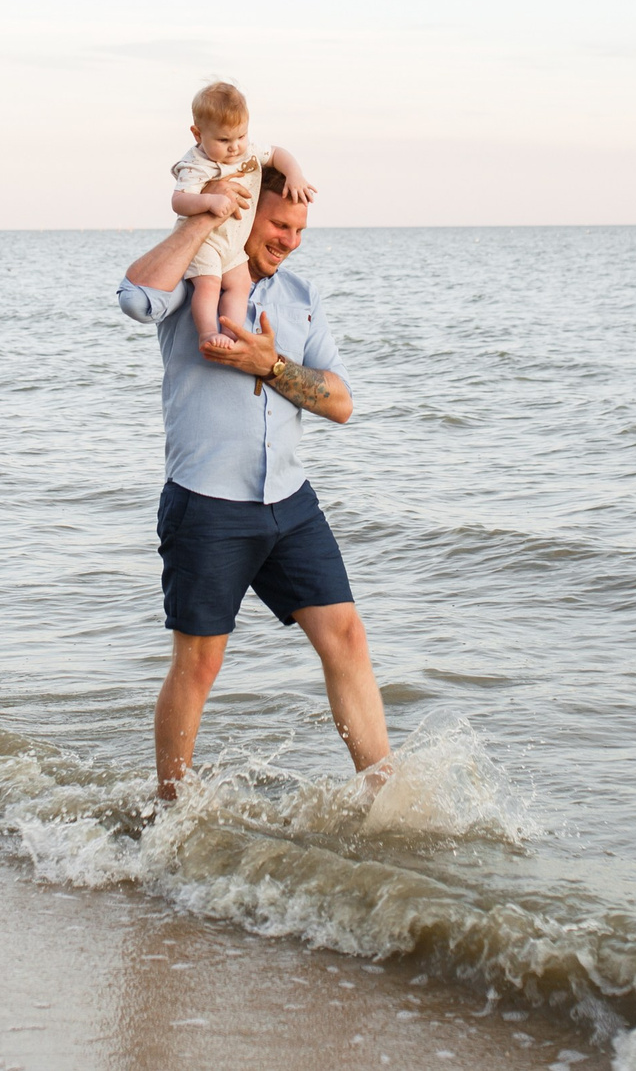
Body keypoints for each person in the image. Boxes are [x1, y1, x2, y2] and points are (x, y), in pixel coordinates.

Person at [117, 160, 389, 802]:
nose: (289, 238)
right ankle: (170, 809)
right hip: (208, 506)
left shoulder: (299, 297)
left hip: (290, 505)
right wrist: (205, 215)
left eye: (299, 227)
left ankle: (383, 794)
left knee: (347, 636)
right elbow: (133, 298)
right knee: (200, 663)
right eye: (278, 223)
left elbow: (341, 402)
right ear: (247, 215)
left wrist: (272, 367)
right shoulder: (194, 284)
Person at [167, 81, 316, 347]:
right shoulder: (196, 165)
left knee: (239, 285)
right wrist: (209, 200)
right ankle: (208, 333)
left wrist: (295, 174)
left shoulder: (248, 153)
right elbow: (178, 201)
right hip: (207, 242)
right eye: (223, 140)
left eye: (241, 136)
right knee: (209, 285)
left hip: (234, 244)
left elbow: (278, 153)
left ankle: (232, 334)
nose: (235, 147)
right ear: (197, 134)